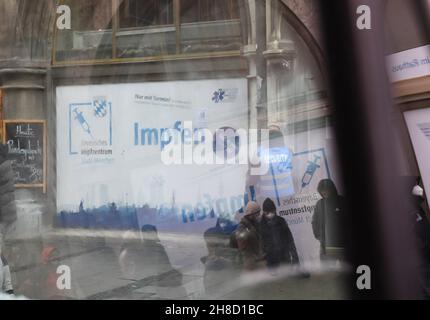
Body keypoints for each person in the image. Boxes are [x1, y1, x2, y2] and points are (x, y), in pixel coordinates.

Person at [260, 198, 299, 273]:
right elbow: (262, 243)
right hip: (271, 261)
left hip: (284, 258)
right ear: (264, 212)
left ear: (275, 210)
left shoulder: (281, 221)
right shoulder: (261, 224)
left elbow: (290, 239)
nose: (270, 214)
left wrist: (295, 258)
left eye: (272, 211)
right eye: (268, 212)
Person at [312, 179, 347, 259]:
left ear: (331, 189)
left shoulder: (342, 201)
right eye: (321, 190)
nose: (324, 192)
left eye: (326, 189)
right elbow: (314, 222)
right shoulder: (319, 204)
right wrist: (320, 237)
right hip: (326, 246)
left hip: (343, 245)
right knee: (328, 269)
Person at [235, 201, 264, 271]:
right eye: (257, 213)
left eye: (259, 212)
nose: (259, 215)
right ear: (251, 214)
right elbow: (242, 248)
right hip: (250, 263)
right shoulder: (242, 228)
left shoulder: (256, 224)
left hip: (259, 260)